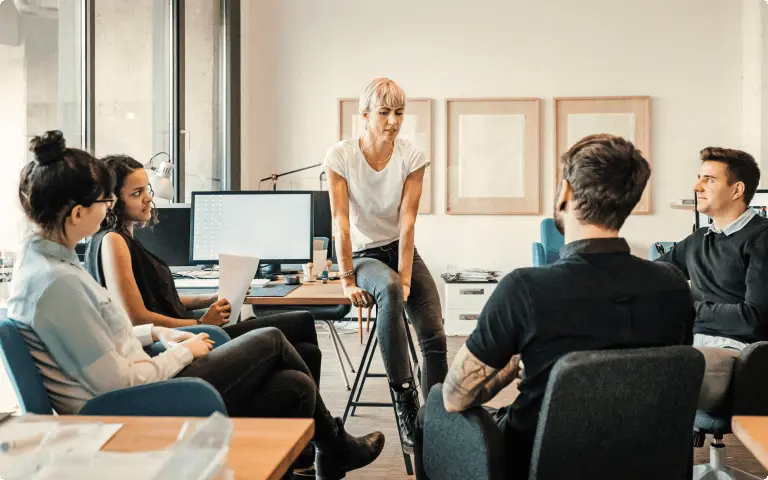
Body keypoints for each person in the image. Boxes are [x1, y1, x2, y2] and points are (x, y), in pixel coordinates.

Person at [8, 130, 384, 480]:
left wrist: (157, 334)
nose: (108, 206)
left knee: (295, 384)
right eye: (106, 200)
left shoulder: (50, 270)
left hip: (149, 375)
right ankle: (334, 444)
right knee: (271, 337)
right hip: (140, 401)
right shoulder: (58, 286)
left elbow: (106, 341)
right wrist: (182, 350)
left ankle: (325, 448)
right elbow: (119, 382)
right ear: (76, 214)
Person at [417, 134, 694, 475]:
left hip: (539, 463)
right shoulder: (672, 285)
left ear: (565, 192)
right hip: (646, 463)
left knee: (431, 409)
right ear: (629, 202)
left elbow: (455, 398)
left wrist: (515, 363)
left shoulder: (525, 289)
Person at [85, 154, 322, 387]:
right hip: (190, 338)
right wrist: (201, 322)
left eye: (147, 189)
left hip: (192, 331)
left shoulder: (123, 238)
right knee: (297, 326)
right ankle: (327, 426)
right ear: (112, 201)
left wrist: (210, 298)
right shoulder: (113, 241)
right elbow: (136, 318)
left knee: (306, 348)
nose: (148, 198)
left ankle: (316, 425)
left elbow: (158, 298)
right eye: (137, 193)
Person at [324, 77, 447, 452]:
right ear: (365, 115)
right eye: (384, 112)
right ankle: (406, 401)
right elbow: (340, 222)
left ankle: (439, 420)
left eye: (399, 112)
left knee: (434, 334)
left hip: (399, 248)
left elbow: (408, 222)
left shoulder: (412, 156)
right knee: (390, 291)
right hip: (363, 256)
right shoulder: (341, 156)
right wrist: (347, 280)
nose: (393, 121)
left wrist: (408, 275)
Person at [658, 147, 768, 350]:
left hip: (733, 349)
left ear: (737, 190)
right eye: (699, 178)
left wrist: (687, 308)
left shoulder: (761, 238)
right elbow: (650, 275)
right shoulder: (698, 239)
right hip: (691, 343)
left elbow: (753, 318)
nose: (696, 186)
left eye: (709, 180)